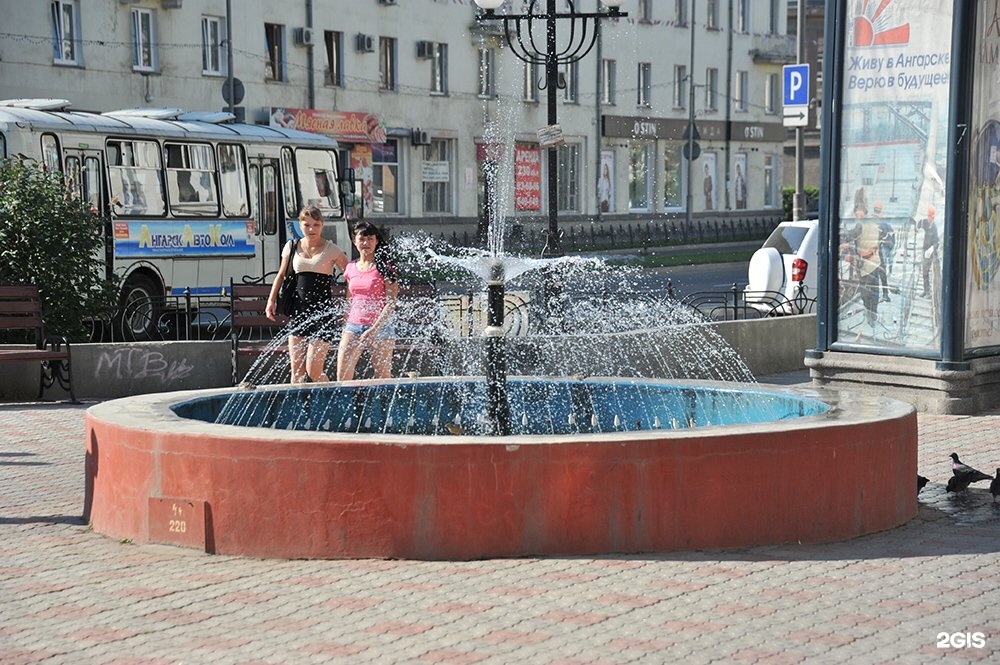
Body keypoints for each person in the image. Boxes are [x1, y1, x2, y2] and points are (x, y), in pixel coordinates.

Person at [266, 205, 348, 383]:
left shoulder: (332, 249)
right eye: (307, 225)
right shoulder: (292, 246)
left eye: (316, 225)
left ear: (322, 225)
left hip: (322, 314)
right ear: (300, 225)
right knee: (296, 374)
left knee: (314, 371)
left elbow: (351, 276)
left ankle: (329, 403)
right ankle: (300, 409)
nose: (311, 229)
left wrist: (351, 303)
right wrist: (271, 300)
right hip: (299, 312)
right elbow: (281, 275)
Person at [336, 221, 400, 381]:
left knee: (383, 378)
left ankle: (385, 406)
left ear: (377, 241)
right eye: (362, 239)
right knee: (342, 377)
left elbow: (391, 303)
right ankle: (350, 406)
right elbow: (350, 298)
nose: (366, 243)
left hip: (381, 328)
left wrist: (374, 330)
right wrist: (345, 326)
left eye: (370, 239)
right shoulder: (350, 267)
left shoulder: (386, 267)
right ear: (354, 241)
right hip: (353, 326)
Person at [916, 205, 940, 298]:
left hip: (930, 253)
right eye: (928, 217)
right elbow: (919, 223)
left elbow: (937, 242)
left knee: (927, 271)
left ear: (933, 217)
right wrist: (916, 229)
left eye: (930, 217)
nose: (929, 219)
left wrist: (931, 249)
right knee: (924, 272)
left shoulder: (934, 228)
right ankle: (925, 291)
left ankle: (928, 292)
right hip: (924, 250)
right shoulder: (926, 222)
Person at [874, 201, 895, 302]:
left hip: (880, 251)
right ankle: (876, 295)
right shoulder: (871, 222)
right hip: (872, 252)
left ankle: (885, 294)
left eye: (879, 211)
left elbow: (892, 238)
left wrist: (885, 243)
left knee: (882, 273)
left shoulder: (885, 225)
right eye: (876, 211)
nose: (877, 214)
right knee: (873, 274)